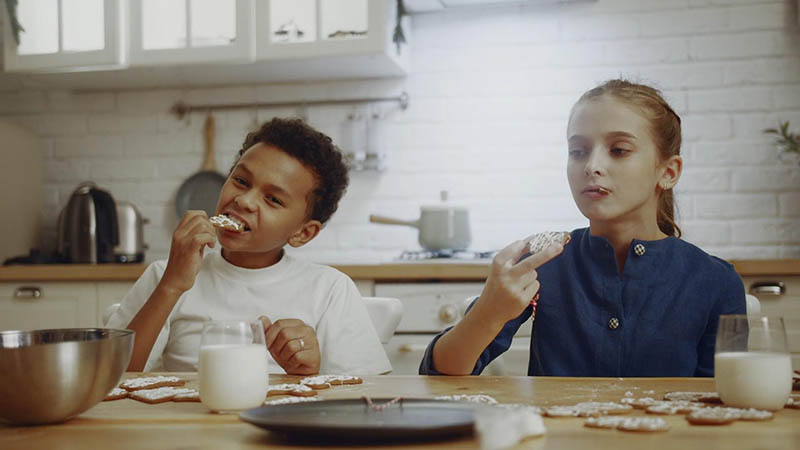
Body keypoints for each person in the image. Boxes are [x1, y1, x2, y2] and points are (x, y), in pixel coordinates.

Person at [419, 79, 745, 378]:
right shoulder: (543, 263)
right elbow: (439, 374)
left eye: (618, 150)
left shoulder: (717, 282)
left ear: (669, 172)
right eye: (578, 151)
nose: (591, 167)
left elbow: (722, 406)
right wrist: (489, 311)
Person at [108, 118, 391, 375]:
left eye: (273, 200)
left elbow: (368, 392)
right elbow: (111, 374)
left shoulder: (330, 290)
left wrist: (313, 369)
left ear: (303, 233)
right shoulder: (166, 275)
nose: (244, 201)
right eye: (241, 181)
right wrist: (170, 285)